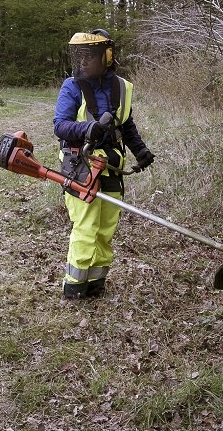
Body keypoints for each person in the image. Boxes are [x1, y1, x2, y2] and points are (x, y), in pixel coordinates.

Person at [53, 29, 155, 299]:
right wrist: (89, 129)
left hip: (112, 163)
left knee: (107, 225)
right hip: (80, 162)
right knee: (86, 225)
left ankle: (96, 281)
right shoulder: (72, 86)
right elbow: (60, 126)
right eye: (80, 56)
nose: (83, 62)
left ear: (107, 57)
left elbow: (127, 124)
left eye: (89, 56)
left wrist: (140, 151)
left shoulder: (122, 87)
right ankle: (74, 286)